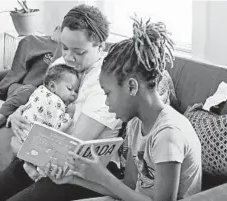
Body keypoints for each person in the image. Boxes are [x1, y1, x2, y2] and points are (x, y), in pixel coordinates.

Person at [0, 4, 122, 201]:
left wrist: (20, 148)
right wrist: (19, 113)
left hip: (77, 172)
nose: (68, 58)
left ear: (101, 46)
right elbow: (41, 100)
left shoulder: (104, 83)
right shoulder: (61, 64)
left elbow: (71, 151)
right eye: (64, 47)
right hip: (38, 159)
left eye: (78, 52)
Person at [43, 17, 202, 201]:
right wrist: (72, 179)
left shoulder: (168, 134)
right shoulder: (136, 124)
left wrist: (103, 176)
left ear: (132, 87)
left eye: (108, 93)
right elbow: (128, 188)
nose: (107, 103)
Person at [8, 64, 79, 156]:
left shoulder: (39, 91)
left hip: (21, 135)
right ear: (52, 86)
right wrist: (69, 114)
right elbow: (57, 127)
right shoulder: (55, 101)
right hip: (33, 143)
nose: (74, 94)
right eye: (70, 89)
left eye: (76, 91)